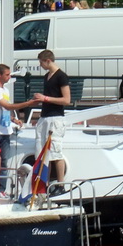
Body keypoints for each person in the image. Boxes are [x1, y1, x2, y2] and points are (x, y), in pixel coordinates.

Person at [32, 49, 70, 183]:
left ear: (48, 61)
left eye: (41, 62)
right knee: (42, 151)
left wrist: (45, 98)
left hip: (55, 117)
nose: (40, 65)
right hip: (45, 116)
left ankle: (61, 184)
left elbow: (66, 100)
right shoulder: (47, 76)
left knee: (55, 151)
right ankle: (43, 183)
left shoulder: (61, 76)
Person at [0, 64, 34, 155]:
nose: (9, 77)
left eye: (9, 74)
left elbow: (4, 110)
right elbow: (7, 106)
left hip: (5, 130)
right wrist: (28, 103)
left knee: (4, 160)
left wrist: (13, 119)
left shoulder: (5, 90)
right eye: (7, 75)